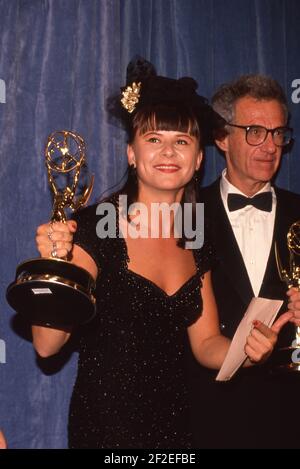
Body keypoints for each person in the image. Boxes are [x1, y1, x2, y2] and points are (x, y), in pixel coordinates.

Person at [32, 60, 290, 449]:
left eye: (182, 141)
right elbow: (46, 345)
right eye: (154, 139)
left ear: (198, 159)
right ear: (132, 154)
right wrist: (55, 264)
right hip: (106, 434)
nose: (168, 151)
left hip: (178, 435)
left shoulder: (194, 233)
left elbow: (206, 345)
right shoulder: (98, 224)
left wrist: (250, 351)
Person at [189, 74, 300, 449]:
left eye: (278, 133)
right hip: (206, 418)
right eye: (254, 131)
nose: (270, 146)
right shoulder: (185, 213)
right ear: (221, 138)